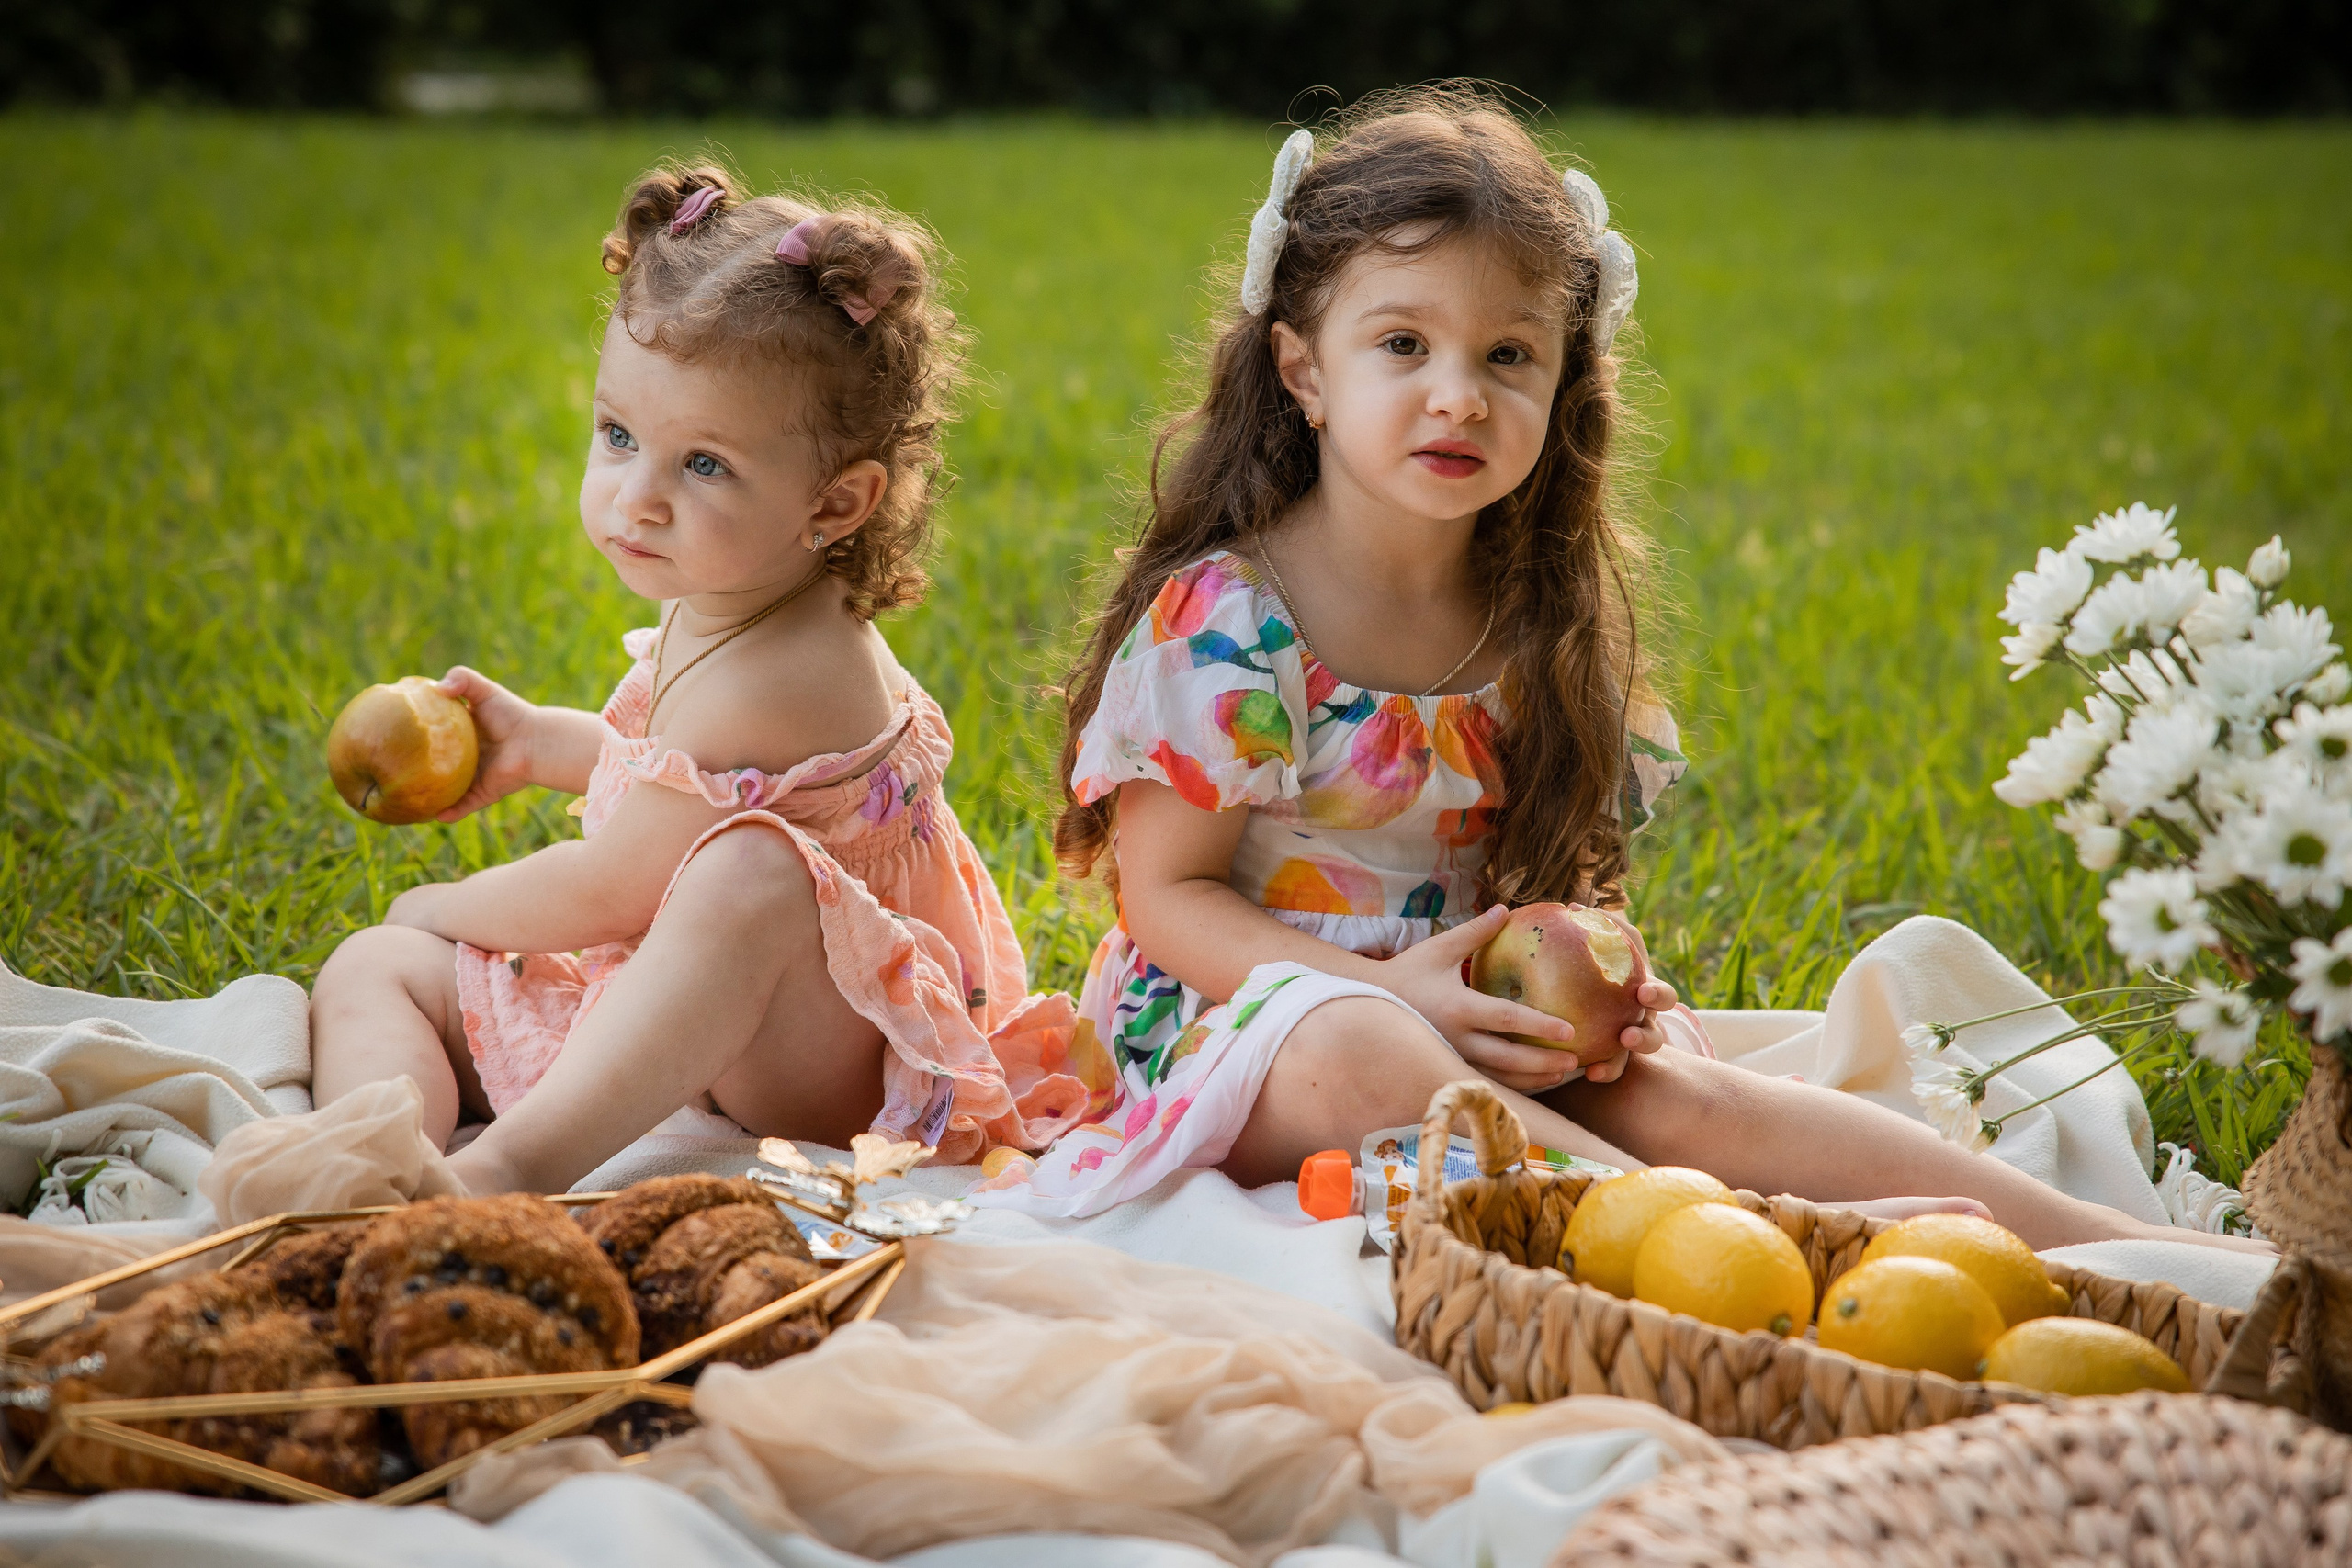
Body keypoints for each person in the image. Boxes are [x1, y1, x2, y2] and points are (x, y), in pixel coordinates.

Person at [979, 89, 2256, 1254]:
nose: (1459, 397)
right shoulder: (1234, 620)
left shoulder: (1532, 618)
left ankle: (2114, 1242)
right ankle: (1745, 1231)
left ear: (1563, 378)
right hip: (1249, 1031)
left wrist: (1592, 973)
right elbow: (1167, 897)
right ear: (1304, 368)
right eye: (1403, 346)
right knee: (1369, 1052)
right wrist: (1382, 988)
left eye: (1508, 356)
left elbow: (1535, 878)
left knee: (1671, 1087)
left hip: (1476, 1013)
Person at [309, 161, 1086, 1197]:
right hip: (714, 1007)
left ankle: (504, 1170)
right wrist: (546, 745)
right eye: (619, 436)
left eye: (703, 465)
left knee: (749, 872)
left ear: (838, 503)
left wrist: (440, 902)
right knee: (371, 967)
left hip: (835, 1052)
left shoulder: (788, 670)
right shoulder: (730, 589)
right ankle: (376, 1161)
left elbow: (612, 886)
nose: (636, 499)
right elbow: (687, 781)